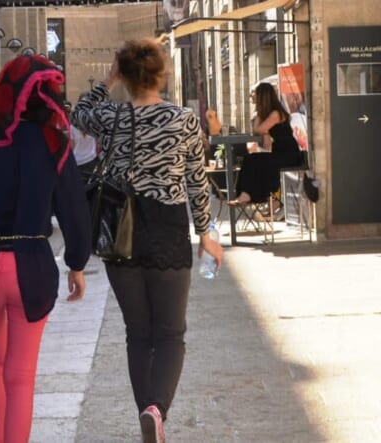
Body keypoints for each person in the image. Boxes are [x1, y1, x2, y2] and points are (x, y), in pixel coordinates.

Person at [71, 38, 223, 443]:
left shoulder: (111, 116)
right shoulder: (184, 120)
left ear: (126, 76)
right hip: (168, 229)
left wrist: (106, 81)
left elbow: (80, 112)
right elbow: (196, 183)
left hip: (121, 229)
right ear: (162, 74)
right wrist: (206, 234)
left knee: (137, 333)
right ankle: (157, 411)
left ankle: (147, 415)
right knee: (170, 333)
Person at [0, 55, 91, 443]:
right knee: (21, 374)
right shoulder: (54, 140)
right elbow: (74, 208)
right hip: (31, 265)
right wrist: (76, 264)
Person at [229, 82, 302, 206]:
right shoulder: (271, 113)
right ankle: (247, 194)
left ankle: (252, 195)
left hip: (288, 154)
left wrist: (265, 131)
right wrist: (266, 133)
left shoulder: (276, 114)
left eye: (257, 97)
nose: (255, 100)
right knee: (250, 159)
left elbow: (258, 129)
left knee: (254, 160)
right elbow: (259, 129)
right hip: (280, 152)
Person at [65, 98, 98, 176]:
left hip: (78, 161)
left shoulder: (73, 125)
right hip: (91, 159)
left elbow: (71, 146)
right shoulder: (94, 123)